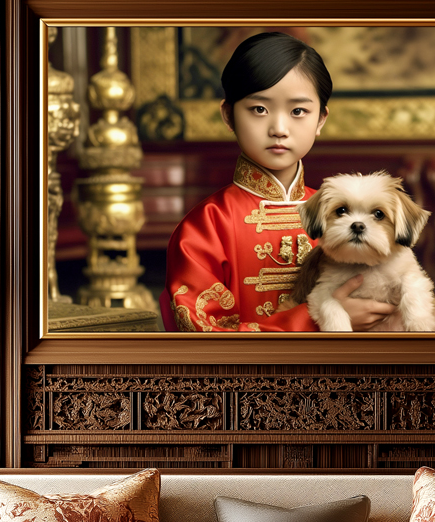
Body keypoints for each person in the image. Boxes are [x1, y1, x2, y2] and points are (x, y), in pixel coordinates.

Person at [162, 31, 396, 332]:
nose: (279, 128)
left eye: (298, 111)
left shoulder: (341, 214)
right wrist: (313, 321)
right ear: (229, 115)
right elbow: (201, 337)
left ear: (321, 119)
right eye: (259, 109)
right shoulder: (205, 225)